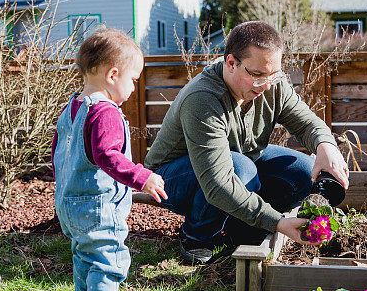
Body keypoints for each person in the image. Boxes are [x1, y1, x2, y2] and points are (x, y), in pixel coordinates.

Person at [144, 21, 349, 264]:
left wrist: (326, 146)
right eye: (258, 75)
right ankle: (197, 236)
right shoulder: (202, 98)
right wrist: (278, 222)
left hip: (239, 157)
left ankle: (241, 227)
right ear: (231, 63)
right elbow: (218, 183)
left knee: (303, 172)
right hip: (172, 179)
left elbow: (305, 122)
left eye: (275, 74)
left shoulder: (272, 84)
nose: (267, 84)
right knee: (241, 169)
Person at [52, 27, 167, 291]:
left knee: (83, 251)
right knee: (107, 255)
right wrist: (142, 176)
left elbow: (59, 151)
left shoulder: (73, 107)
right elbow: (107, 156)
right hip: (97, 204)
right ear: (113, 74)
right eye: (133, 79)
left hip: (69, 201)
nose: (134, 87)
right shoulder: (106, 114)